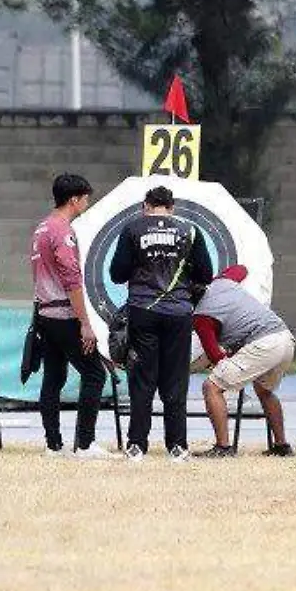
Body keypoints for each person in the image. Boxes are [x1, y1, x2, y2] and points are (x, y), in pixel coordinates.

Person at [110, 186, 213, 462]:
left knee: (143, 379)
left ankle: (136, 446)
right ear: (172, 206)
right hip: (179, 312)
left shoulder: (133, 229)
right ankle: (177, 446)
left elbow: (117, 273)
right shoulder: (189, 231)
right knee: (175, 380)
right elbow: (206, 273)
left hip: (143, 309)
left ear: (146, 205)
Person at [30, 173, 111, 459]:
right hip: (64, 314)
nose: (87, 203)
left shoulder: (41, 228)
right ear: (74, 199)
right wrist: (85, 324)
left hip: (45, 314)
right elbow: (71, 278)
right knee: (94, 374)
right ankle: (85, 445)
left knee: (53, 377)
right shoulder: (62, 231)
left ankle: (53, 444)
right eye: (85, 198)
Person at [191, 265, 295, 458]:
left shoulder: (201, 318)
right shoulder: (223, 282)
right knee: (264, 390)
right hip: (285, 338)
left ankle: (223, 448)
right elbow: (241, 269)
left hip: (264, 344)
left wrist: (224, 360)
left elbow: (216, 357)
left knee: (211, 387)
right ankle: (281, 446)